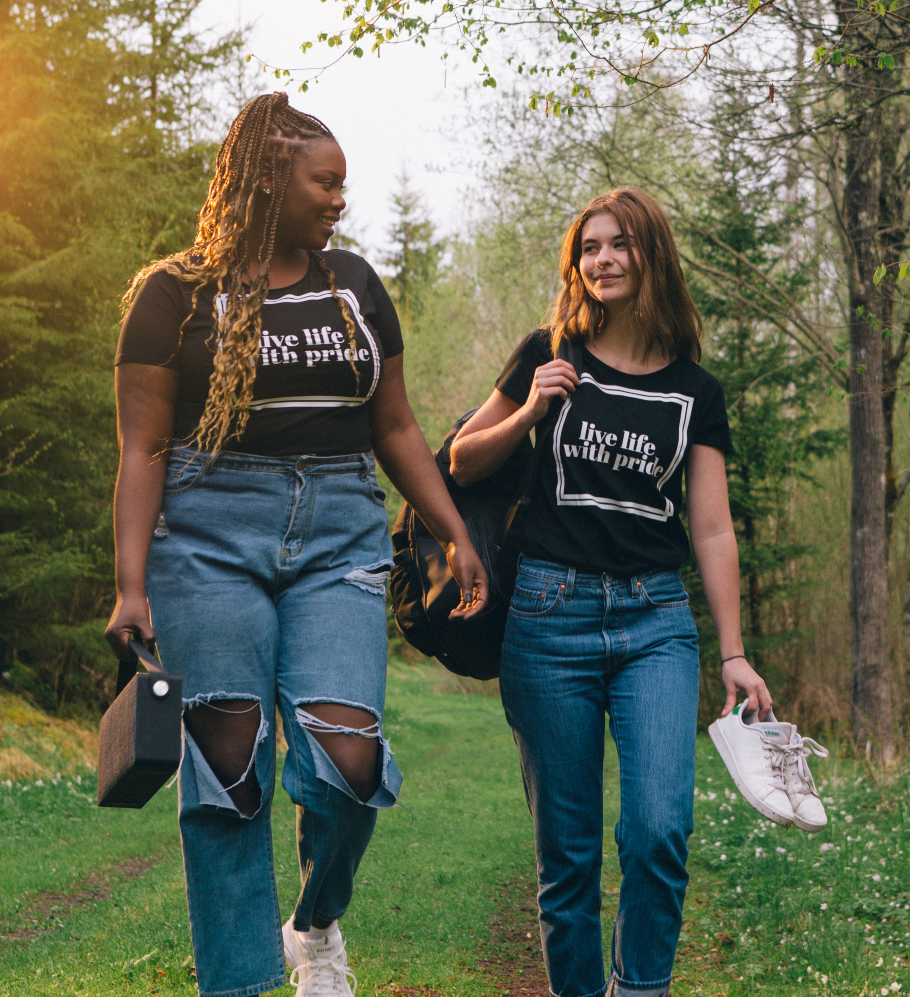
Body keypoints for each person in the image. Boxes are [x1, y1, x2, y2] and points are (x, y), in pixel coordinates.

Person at [105, 92, 487, 997]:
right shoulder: (173, 294)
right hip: (204, 538)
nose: (339, 199)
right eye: (325, 182)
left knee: (349, 761)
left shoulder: (352, 285)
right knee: (228, 771)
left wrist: (452, 531)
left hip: (339, 535)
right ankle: (236, 983)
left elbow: (393, 424)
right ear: (269, 181)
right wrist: (132, 585)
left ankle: (314, 924)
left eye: (344, 184)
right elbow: (143, 445)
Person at [448, 187, 772, 997]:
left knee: (658, 830)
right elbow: (459, 460)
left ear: (650, 254)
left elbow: (712, 529)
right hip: (547, 619)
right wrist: (530, 408)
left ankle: (641, 988)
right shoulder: (545, 353)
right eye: (590, 246)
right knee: (569, 854)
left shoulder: (696, 391)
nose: (603, 259)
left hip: (655, 622)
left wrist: (732, 652)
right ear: (576, 262)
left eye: (620, 243)